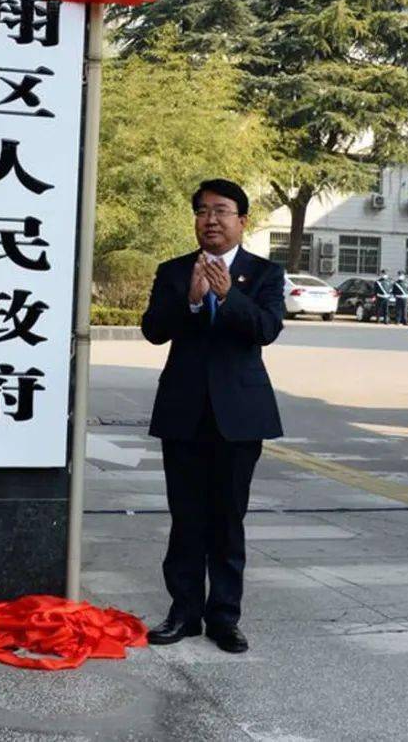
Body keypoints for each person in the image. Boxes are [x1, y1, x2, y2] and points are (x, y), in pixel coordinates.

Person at [141, 179, 284, 655]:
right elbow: (153, 331)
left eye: (221, 211)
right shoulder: (174, 271)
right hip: (184, 412)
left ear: (242, 220)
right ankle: (184, 612)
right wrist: (194, 301)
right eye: (202, 211)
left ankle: (225, 616)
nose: (211, 220)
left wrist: (230, 297)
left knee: (227, 519)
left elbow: (265, 329)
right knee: (186, 518)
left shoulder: (264, 273)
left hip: (239, 417)